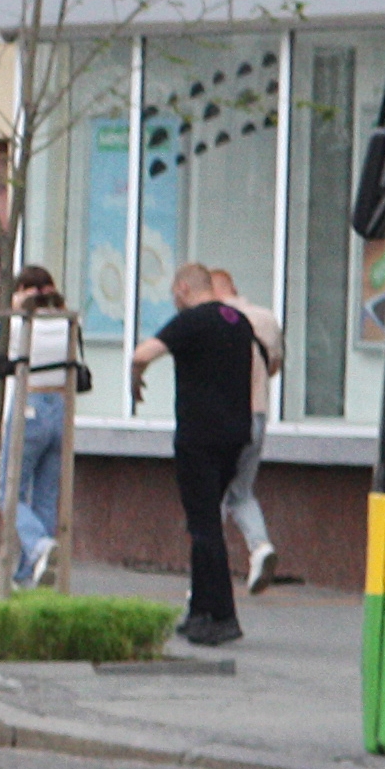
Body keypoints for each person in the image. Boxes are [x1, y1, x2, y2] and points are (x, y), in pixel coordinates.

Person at [137, 260, 263, 649]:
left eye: (175, 295)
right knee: (205, 521)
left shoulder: (193, 321)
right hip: (236, 434)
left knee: (205, 526)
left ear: (183, 290)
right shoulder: (238, 322)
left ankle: (223, 615)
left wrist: (133, 380)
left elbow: (143, 353)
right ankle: (201, 612)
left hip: (199, 436)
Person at [210, 266, 291, 591]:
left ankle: (208, 576)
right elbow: (274, 368)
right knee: (241, 492)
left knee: (211, 498)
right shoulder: (266, 319)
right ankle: (261, 547)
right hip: (256, 415)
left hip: (221, 418)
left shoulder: (212, 319)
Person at [2, 266, 78, 587]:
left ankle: (38, 545)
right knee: (46, 496)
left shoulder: (19, 325)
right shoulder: (69, 323)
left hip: (29, 405)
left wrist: (17, 305)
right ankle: (30, 574)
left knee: (8, 491)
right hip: (61, 407)